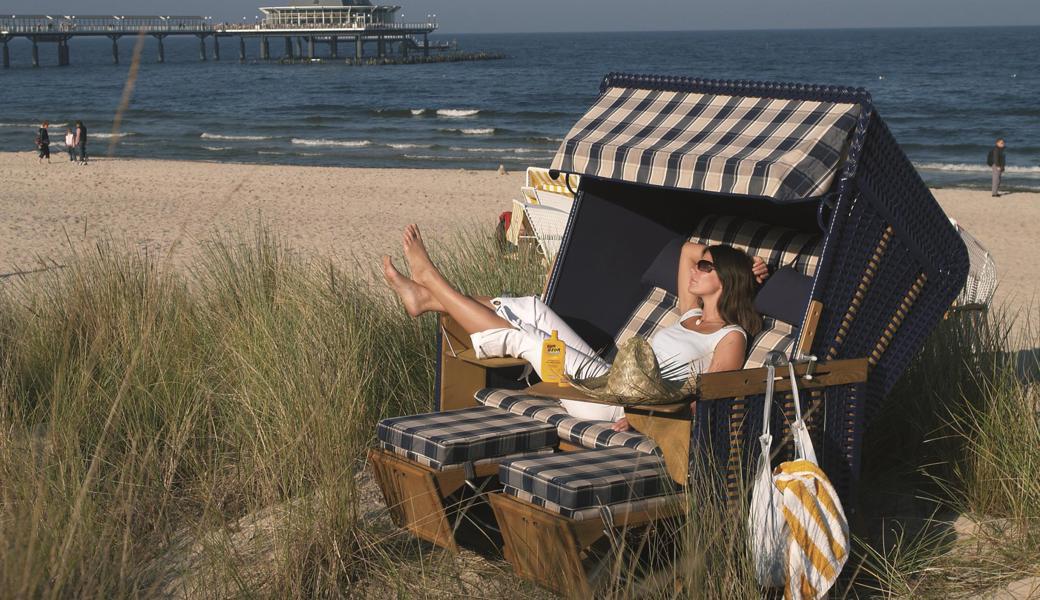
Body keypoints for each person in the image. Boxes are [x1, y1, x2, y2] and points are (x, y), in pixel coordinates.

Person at [382, 225, 766, 432]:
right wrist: (743, 260)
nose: (697, 269)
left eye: (707, 267)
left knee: (526, 339)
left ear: (726, 281)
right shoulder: (689, 315)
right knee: (533, 308)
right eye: (702, 265)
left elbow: (712, 399)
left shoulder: (730, 336)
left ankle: (433, 285)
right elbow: (685, 250)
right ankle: (428, 299)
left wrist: (639, 421)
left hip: (620, 404)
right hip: (610, 380)